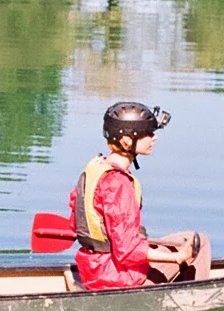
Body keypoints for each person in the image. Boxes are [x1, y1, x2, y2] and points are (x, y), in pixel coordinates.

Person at [69, 101, 211, 291]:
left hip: (94, 269)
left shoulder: (97, 168)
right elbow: (127, 252)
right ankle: (194, 305)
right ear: (127, 140)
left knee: (186, 238)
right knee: (199, 243)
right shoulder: (119, 184)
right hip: (116, 278)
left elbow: (77, 223)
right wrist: (175, 258)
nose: (154, 138)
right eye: (148, 133)